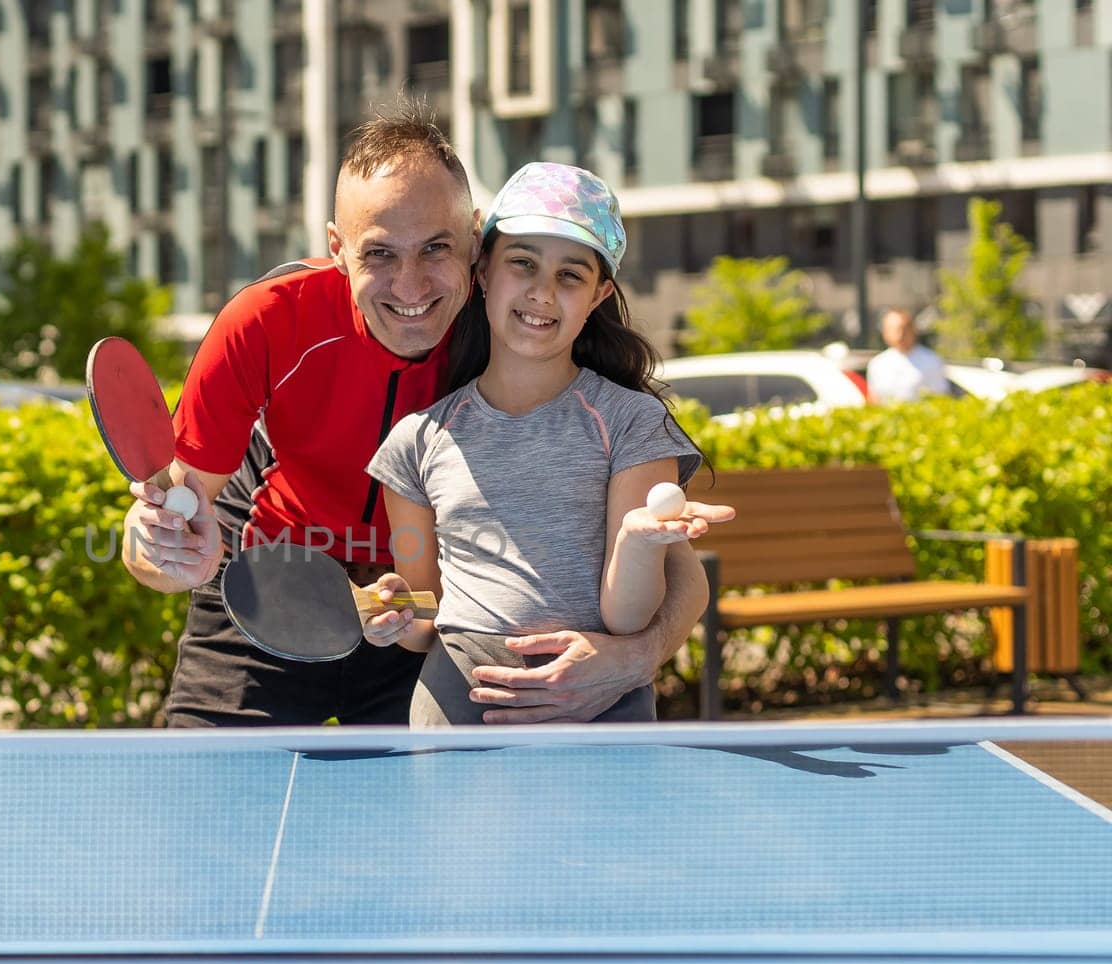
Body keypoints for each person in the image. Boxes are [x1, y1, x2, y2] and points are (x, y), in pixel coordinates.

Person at [122, 100, 720, 727]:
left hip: (425, 620)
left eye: (436, 248)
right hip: (275, 583)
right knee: (211, 805)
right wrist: (153, 548)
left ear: (474, 244)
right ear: (337, 247)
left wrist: (633, 658)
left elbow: (674, 567)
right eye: (379, 253)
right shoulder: (265, 321)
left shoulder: (517, 331)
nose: (411, 287)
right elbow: (171, 531)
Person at [360, 163, 727, 725]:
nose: (541, 292)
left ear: (600, 294)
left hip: (599, 702)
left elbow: (628, 620)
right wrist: (389, 611)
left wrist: (637, 540)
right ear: (483, 270)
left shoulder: (632, 423)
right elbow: (423, 617)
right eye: (523, 263)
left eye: (570, 276)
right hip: (457, 707)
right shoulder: (415, 442)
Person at [867, 308, 950, 402]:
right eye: (893, 329)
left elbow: (940, 398)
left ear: (913, 330)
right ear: (885, 332)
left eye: (903, 328)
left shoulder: (932, 361)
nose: (900, 334)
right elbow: (874, 400)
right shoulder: (877, 364)